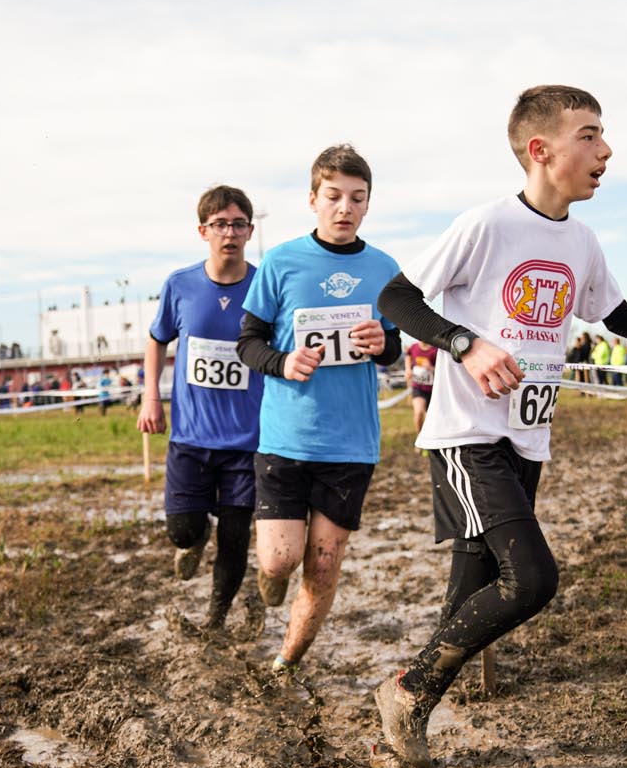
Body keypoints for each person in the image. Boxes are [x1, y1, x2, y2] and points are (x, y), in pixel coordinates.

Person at [371, 83, 627, 768]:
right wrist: (465, 345)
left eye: (602, 134)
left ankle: (407, 720)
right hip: (469, 434)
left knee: (471, 590)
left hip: (528, 436)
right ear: (540, 149)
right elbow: (396, 296)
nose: (606, 150)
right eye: (589, 135)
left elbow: (619, 316)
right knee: (531, 580)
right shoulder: (487, 225)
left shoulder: (581, 241)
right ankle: (406, 690)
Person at [236, 144, 402, 677]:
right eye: (333, 196)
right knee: (280, 559)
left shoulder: (385, 269)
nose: (344, 207)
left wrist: (383, 343)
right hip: (286, 437)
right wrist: (283, 362)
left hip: (351, 443)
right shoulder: (281, 262)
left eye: (357, 198)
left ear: (368, 203)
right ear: (313, 199)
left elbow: (396, 348)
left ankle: (285, 663)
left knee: (324, 567)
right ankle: (270, 575)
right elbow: (248, 343)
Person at [138, 186, 264, 632]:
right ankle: (194, 538)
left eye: (238, 224)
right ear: (203, 231)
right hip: (190, 438)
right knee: (182, 531)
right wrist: (151, 396)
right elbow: (157, 340)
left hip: (247, 441)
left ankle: (216, 620)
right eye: (220, 224)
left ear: (250, 231)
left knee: (235, 538)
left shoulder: (264, 287)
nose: (229, 233)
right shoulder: (181, 285)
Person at [404, 340, 438, 435]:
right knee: (419, 412)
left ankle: (430, 438)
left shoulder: (435, 350)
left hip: (433, 389)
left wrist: (430, 368)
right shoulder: (414, 347)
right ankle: (419, 437)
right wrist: (408, 369)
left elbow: (442, 369)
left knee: (431, 417)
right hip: (418, 387)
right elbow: (408, 356)